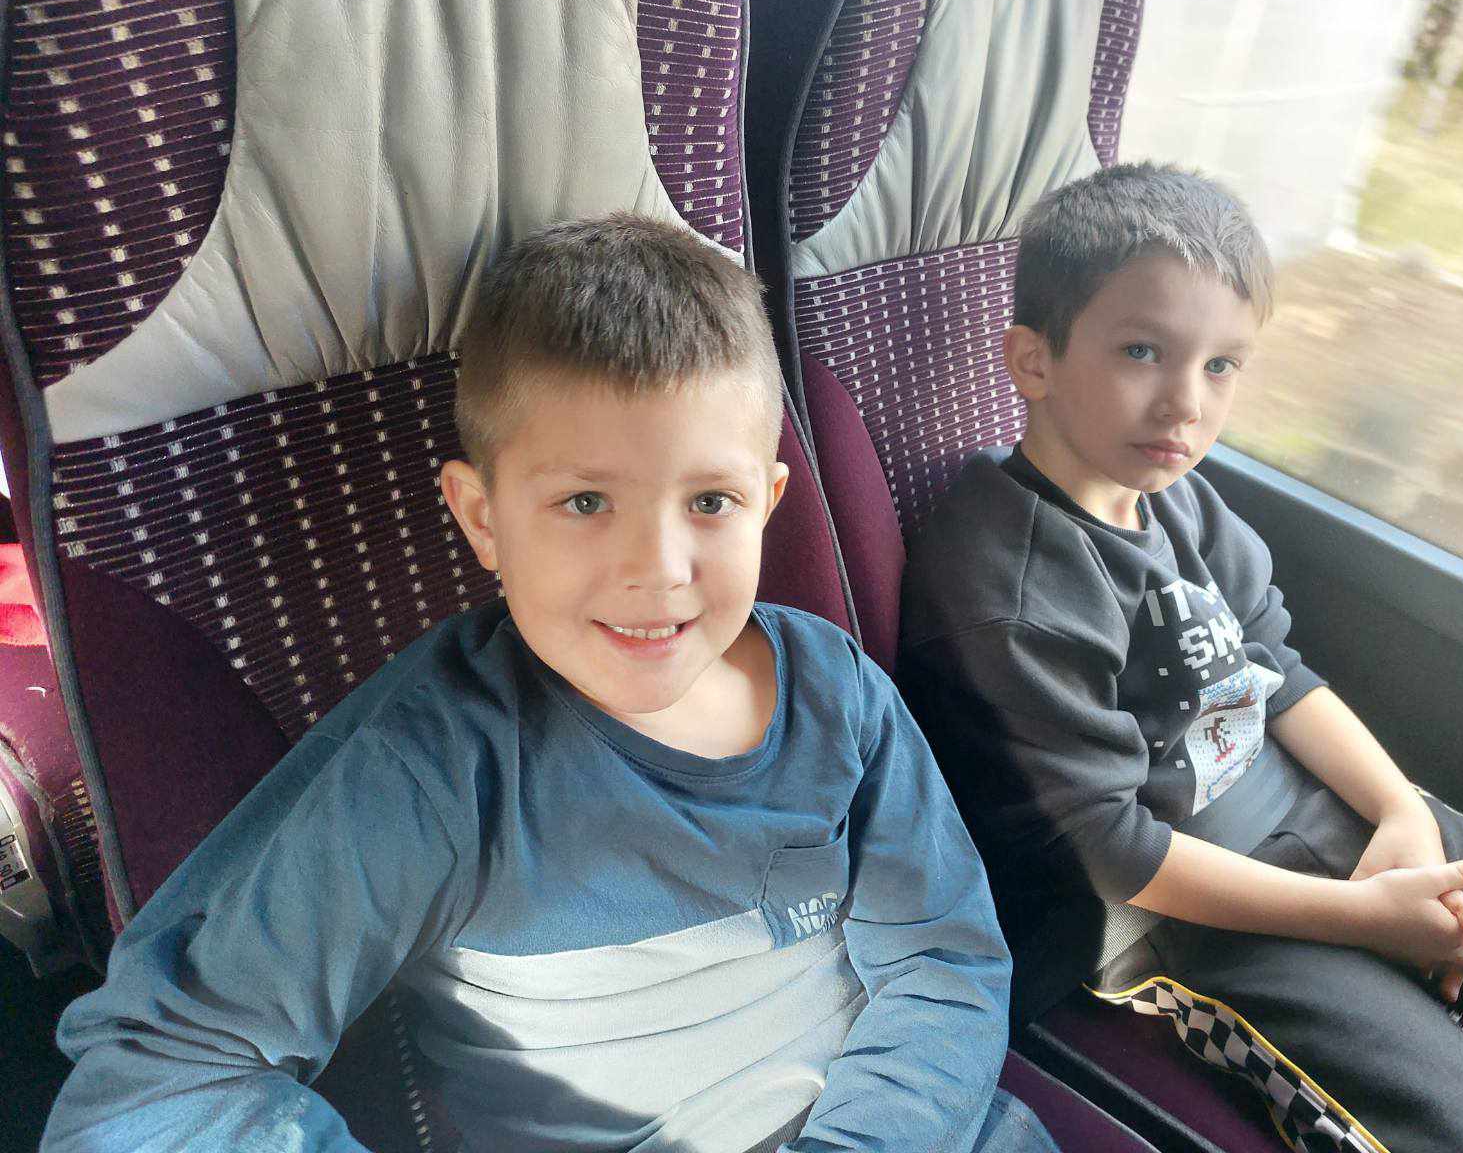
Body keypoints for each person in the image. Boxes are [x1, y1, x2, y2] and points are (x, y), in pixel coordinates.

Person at [44, 215, 1056, 1153]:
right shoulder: (437, 769)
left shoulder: (840, 692)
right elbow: (157, 1075)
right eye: (584, 502)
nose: (657, 569)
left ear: (767, 501)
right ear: (482, 518)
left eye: (710, 501)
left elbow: (940, 962)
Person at [897, 163, 1463, 1153]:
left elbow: (1277, 671)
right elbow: (1117, 851)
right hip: (1185, 921)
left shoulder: (1179, 500)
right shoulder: (1009, 590)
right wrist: (1364, 918)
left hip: (1309, 812)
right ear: (1034, 361)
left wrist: (1398, 813)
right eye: (1142, 352)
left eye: (1221, 365)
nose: (1185, 404)